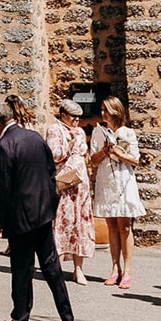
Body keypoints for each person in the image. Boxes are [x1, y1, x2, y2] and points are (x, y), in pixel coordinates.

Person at [0, 97, 76, 321]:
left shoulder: (4, 146)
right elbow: (50, 173)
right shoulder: (35, 138)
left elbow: (2, 189)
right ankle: (68, 318)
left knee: (22, 272)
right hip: (42, 213)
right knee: (52, 269)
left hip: (20, 218)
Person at [89, 96, 143, 291]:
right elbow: (93, 160)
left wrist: (119, 153)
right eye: (101, 109)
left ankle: (128, 270)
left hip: (124, 180)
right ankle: (114, 268)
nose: (103, 113)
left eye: (107, 110)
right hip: (106, 180)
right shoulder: (98, 132)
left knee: (125, 226)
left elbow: (135, 159)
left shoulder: (127, 133)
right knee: (111, 224)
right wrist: (104, 150)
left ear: (116, 111)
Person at [45, 99, 93, 284]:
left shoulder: (80, 131)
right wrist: (71, 143)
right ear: (64, 114)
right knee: (62, 222)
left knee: (79, 224)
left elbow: (83, 152)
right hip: (64, 184)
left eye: (79, 118)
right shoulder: (54, 130)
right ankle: (55, 265)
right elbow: (54, 155)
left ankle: (78, 268)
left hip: (80, 185)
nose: (77, 120)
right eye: (74, 117)